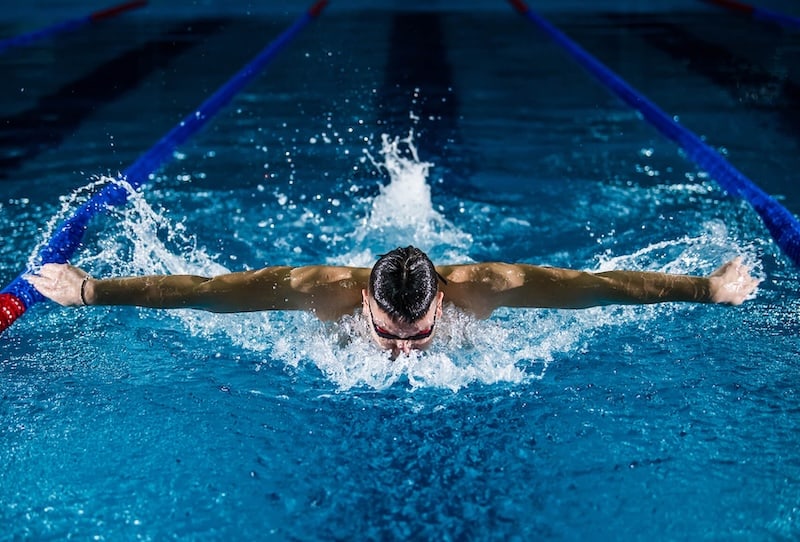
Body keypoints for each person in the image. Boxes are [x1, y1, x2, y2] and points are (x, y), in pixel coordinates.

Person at [26, 246, 759, 357]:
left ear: (444, 297)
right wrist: (91, 290)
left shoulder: (490, 287)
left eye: (415, 336)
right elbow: (207, 294)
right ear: (363, 303)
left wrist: (707, 289)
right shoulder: (319, 293)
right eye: (388, 333)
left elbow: (599, 289)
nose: (401, 352)